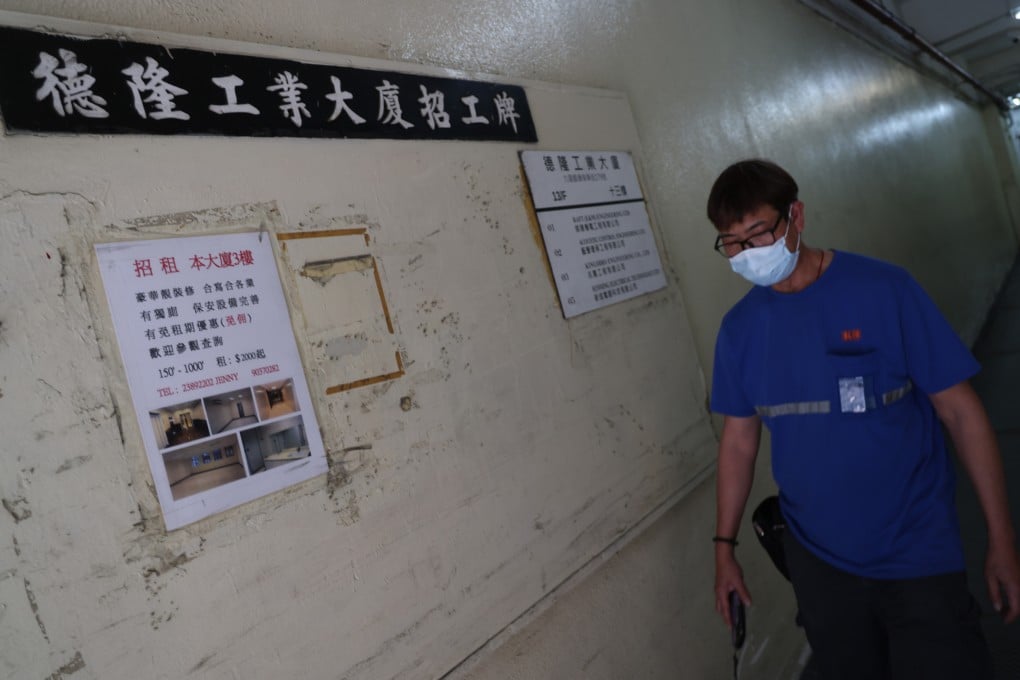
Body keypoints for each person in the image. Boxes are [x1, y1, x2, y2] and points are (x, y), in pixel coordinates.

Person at [707, 159, 1020, 679]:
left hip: (917, 547)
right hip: (819, 559)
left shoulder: (884, 291)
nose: (748, 253)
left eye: (759, 233)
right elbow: (739, 442)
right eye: (732, 243)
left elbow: (961, 413)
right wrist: (724, 550)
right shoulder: (740, 331)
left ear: (796, 216)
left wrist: (1002, 538)